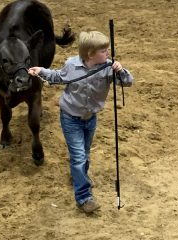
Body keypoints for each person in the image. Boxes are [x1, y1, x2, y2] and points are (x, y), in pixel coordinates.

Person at [28, 31, 133, 213]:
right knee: (78, 157)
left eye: (107, 50)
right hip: (70, 118)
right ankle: (84, 197)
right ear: (90, 54)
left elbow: (127, 82)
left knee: (84, 154)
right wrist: (41, 71)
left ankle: (79, 176)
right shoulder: (71, 64)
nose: (108, 53)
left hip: (90, 119)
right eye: (103, 51)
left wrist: (121, 70)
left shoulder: (108, 67)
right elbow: (58, 77)